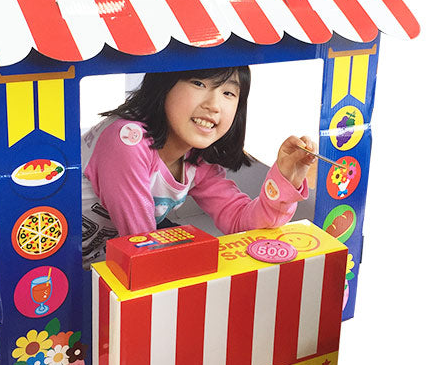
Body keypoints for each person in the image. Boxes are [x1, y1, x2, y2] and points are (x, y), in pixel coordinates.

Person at [80, 66, 316, 268]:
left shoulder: (197, 160)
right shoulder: (127, 139)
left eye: (228, 93)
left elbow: (241, 222)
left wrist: (285, 181)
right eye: (199, 83)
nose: (214, 105)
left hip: (101, 263)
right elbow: (142, 246)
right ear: (164, 83)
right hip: (63, 267)